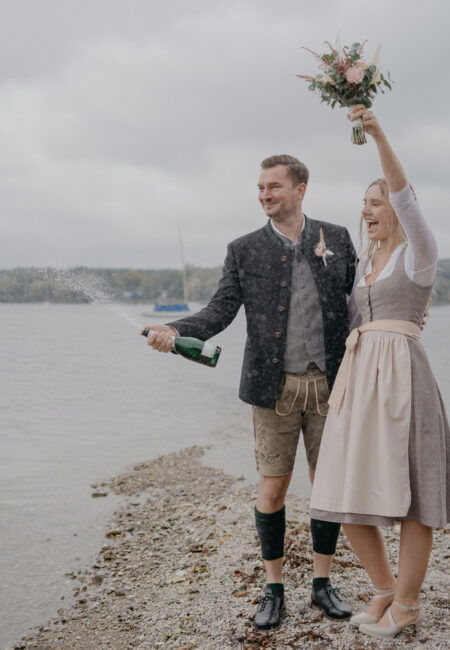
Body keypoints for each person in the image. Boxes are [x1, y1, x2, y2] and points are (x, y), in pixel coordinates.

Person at [144, 154, 357, 629]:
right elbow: (219, 310)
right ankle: (274, 588)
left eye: (274, 187)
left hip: (332, 385)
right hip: (271, 388)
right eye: (261, 188)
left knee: (327, 487)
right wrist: (175, 330)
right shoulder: (243, 249)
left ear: (300, 189)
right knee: (273, 487)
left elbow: (358, 301)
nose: (265, 195)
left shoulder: (337, 238)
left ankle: (322, 583)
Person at [310, 106, 449, 640]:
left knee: (414, 498)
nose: (366, 209)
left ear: (395, 208)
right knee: (342, 491)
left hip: (402, 380)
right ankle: (385, 588)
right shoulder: (363, 267)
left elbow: (406, 196)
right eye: (364, 202)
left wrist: (378, 134)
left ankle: (408, 605)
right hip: (359, 380)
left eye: (376, 201)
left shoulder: (419, 255)